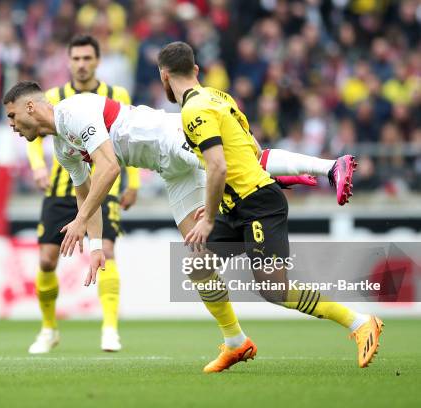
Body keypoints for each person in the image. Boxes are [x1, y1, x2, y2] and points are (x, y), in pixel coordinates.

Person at [2, 80, 360, 362]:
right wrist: (95, 245)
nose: (13, 127)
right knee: (201, 260)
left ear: (30, 106)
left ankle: (328, 167)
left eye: (13, 117)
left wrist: (80, 221)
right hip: (168, 171)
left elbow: (108, 168)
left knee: (241, 163)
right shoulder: (63, 146)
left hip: (169, 138)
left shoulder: (73, 111)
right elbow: (85, 194)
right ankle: (235, 340)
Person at [157, 41, 383, 373]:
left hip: (258, 204)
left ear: (163, 76)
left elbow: (218, 166)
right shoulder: (220, 97)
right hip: (237, 204)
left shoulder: (193, 111)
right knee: (198, 265)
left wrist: (207, 220)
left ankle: (360, 322)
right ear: (196, 70)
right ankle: (236, 343)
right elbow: (252, 152)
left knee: (274, 289)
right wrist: (216, 203)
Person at [25, 35, 139, 354]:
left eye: (87, 58)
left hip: (104, 188)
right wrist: (37, 167)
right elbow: (33, 135)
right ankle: (49, 329)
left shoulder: (116, 94)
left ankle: (110, 328)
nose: (82, 64)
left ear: (98, 61)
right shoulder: (53, 96)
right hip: (62, 188)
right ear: (68, 61)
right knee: (47, 260)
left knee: (107, 250)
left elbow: (126, 140)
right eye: (76, 58)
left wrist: (134, 185)